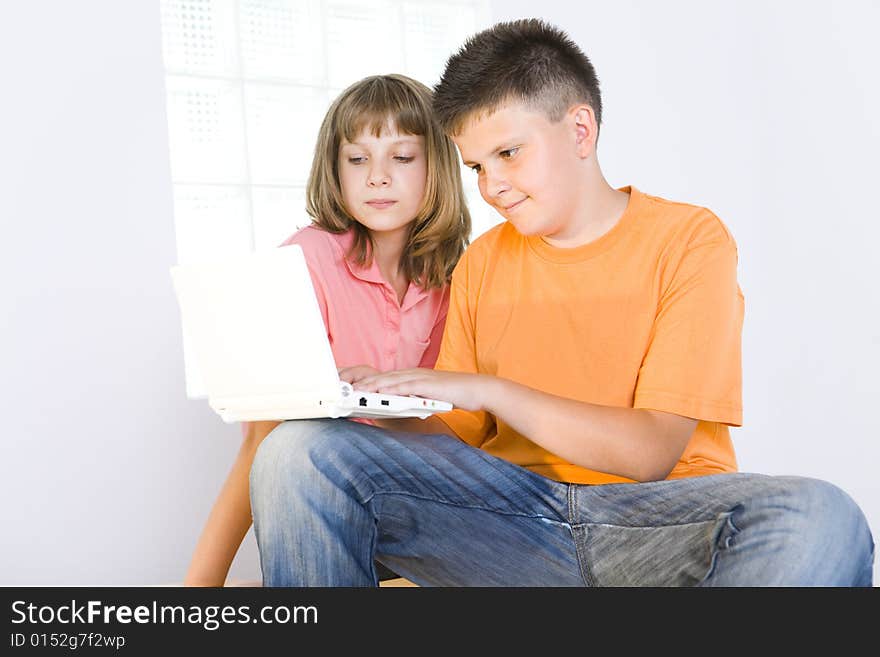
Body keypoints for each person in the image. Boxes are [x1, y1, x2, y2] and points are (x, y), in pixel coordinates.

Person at [249, 19, 874, 586]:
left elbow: (650, 452)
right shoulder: (483, 261)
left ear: (580, 129)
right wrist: (369, 407)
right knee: (299, 453)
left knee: (820, 515)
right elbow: (455, 441)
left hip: (654, 523)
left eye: (508, 154)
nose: (492, 186)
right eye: (476, 167)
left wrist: (489, 389)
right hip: (513, 525)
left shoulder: (689, 240)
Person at [183, 73, 471, 586]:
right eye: (358, 159)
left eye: (402, 158)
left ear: (437, 166)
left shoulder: (461, 275)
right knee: (294, 442)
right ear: (334, 169)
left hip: (427, 504)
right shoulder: (307, 259)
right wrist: (202, 583)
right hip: (327, 500)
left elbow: (463, 434)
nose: (377, 177)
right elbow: (263, 438)